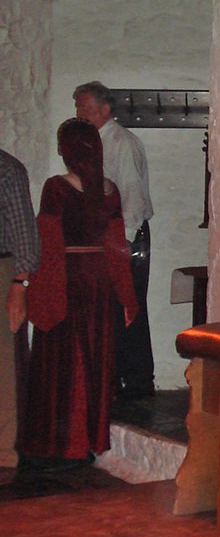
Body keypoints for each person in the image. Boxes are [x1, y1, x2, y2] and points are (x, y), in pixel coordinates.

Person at [21, 119, 138, 465]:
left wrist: (39, 295)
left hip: (68, 280)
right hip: (98, 281)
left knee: (66, 360)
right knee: (93, 357)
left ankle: (62, 442)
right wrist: (125, 296)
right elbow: (117, 246)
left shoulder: (56, 188)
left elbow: (50, 243)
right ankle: (89, 437)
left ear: (67, 150)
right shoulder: (110, 190)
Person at [73, 80, 155, 399]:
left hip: (128, 235)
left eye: (84, 107)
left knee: (129, 306)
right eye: (78, 107)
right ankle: (119, 377)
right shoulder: (94, 142)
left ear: (104, 109)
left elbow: (133, 195)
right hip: (113, 234)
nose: (79, 113)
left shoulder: (122, 142)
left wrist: (125, 243)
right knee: (112, 307)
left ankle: (137, 382)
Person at [0, 148, 40, 484]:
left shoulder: (7, 168)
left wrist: (19, 283)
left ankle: (3, 452)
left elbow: (25, 235)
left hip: (2, 268)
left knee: (3, 366)